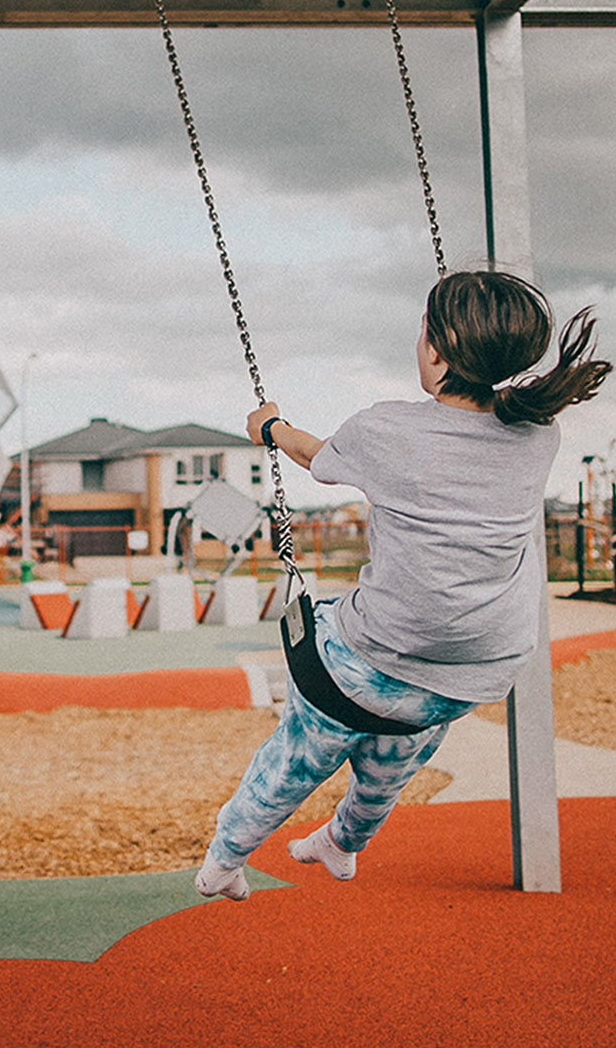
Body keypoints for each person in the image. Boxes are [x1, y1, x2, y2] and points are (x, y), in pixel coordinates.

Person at [196, 270, 611, 901]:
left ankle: (224, 860)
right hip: (478, 670)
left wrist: (270, 429)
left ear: (437, 351)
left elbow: (319, 457)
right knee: (392, 759)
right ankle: (341, 844)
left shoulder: (386, 430)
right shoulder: (538, 435)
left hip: (369, 664)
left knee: (300, 753)